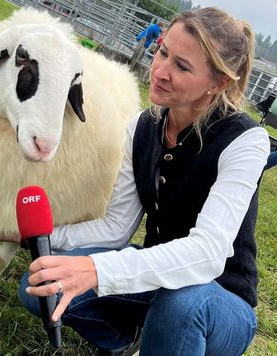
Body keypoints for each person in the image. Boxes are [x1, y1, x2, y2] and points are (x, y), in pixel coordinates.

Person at [19, 7, 270, 356]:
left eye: (182, 66)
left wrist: (96, 269)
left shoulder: (245, 140)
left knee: (182, 305)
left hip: (218, 300)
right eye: (163, 52)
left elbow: (208, 255)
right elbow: (116, 227)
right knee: (44, 283)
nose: (160, 71)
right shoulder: (142, 127)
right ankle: (125, 340)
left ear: (218, 83)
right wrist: (41, 240)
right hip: (156, 280)